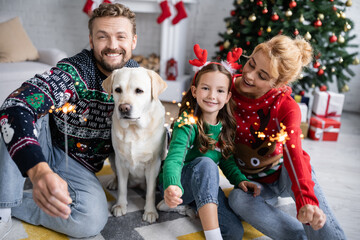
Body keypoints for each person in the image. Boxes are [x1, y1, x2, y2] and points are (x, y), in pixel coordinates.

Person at [0, 3, 139, 238]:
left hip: (78, 165)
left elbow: (151, 127)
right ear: (91, 41)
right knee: (14, 111)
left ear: (133, 41)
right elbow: (15, 106)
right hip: (46, 141)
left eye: (121, 37)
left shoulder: (139, 79)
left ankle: (17, 200)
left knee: (91, 219)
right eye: (103, 37)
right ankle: (3, 208)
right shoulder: (73, 72)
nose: (113, 45)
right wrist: (39, 171)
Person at [228, 35, 346, 239]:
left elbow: (294, 152)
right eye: (251, 64)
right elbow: (205, 81)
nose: (249, 75)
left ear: (278, 83)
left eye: (262, 76)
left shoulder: (286, 106)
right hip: (254, 183)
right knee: (237, 199)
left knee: (312, 209)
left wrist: (306, 201)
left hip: (285, 173)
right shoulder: (226, 89)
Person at [158, 45, 258, 240]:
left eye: (220, 91)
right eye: (205, 88)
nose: (212, 96)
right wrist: (171, 185)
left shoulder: (226, 125)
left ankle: (193, 205)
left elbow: (226, 160)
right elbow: (175, 158)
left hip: (204, 183)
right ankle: (208, 231)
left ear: (228, 96)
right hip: (179, 183)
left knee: (234, 231)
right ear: (194, 91)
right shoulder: (187, 122)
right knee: (206, 163)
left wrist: (239, 180)